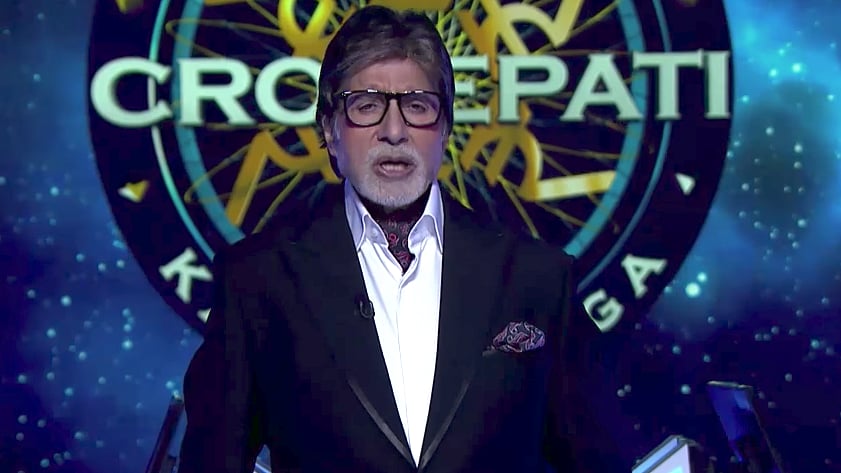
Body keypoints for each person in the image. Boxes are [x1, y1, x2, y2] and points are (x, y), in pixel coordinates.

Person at [177, 5, 626, 473]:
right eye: (367, 106)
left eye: (417, 106)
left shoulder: (537, 279)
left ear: (445, 127)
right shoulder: (258, 280)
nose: (394, 132)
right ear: (329, 129)